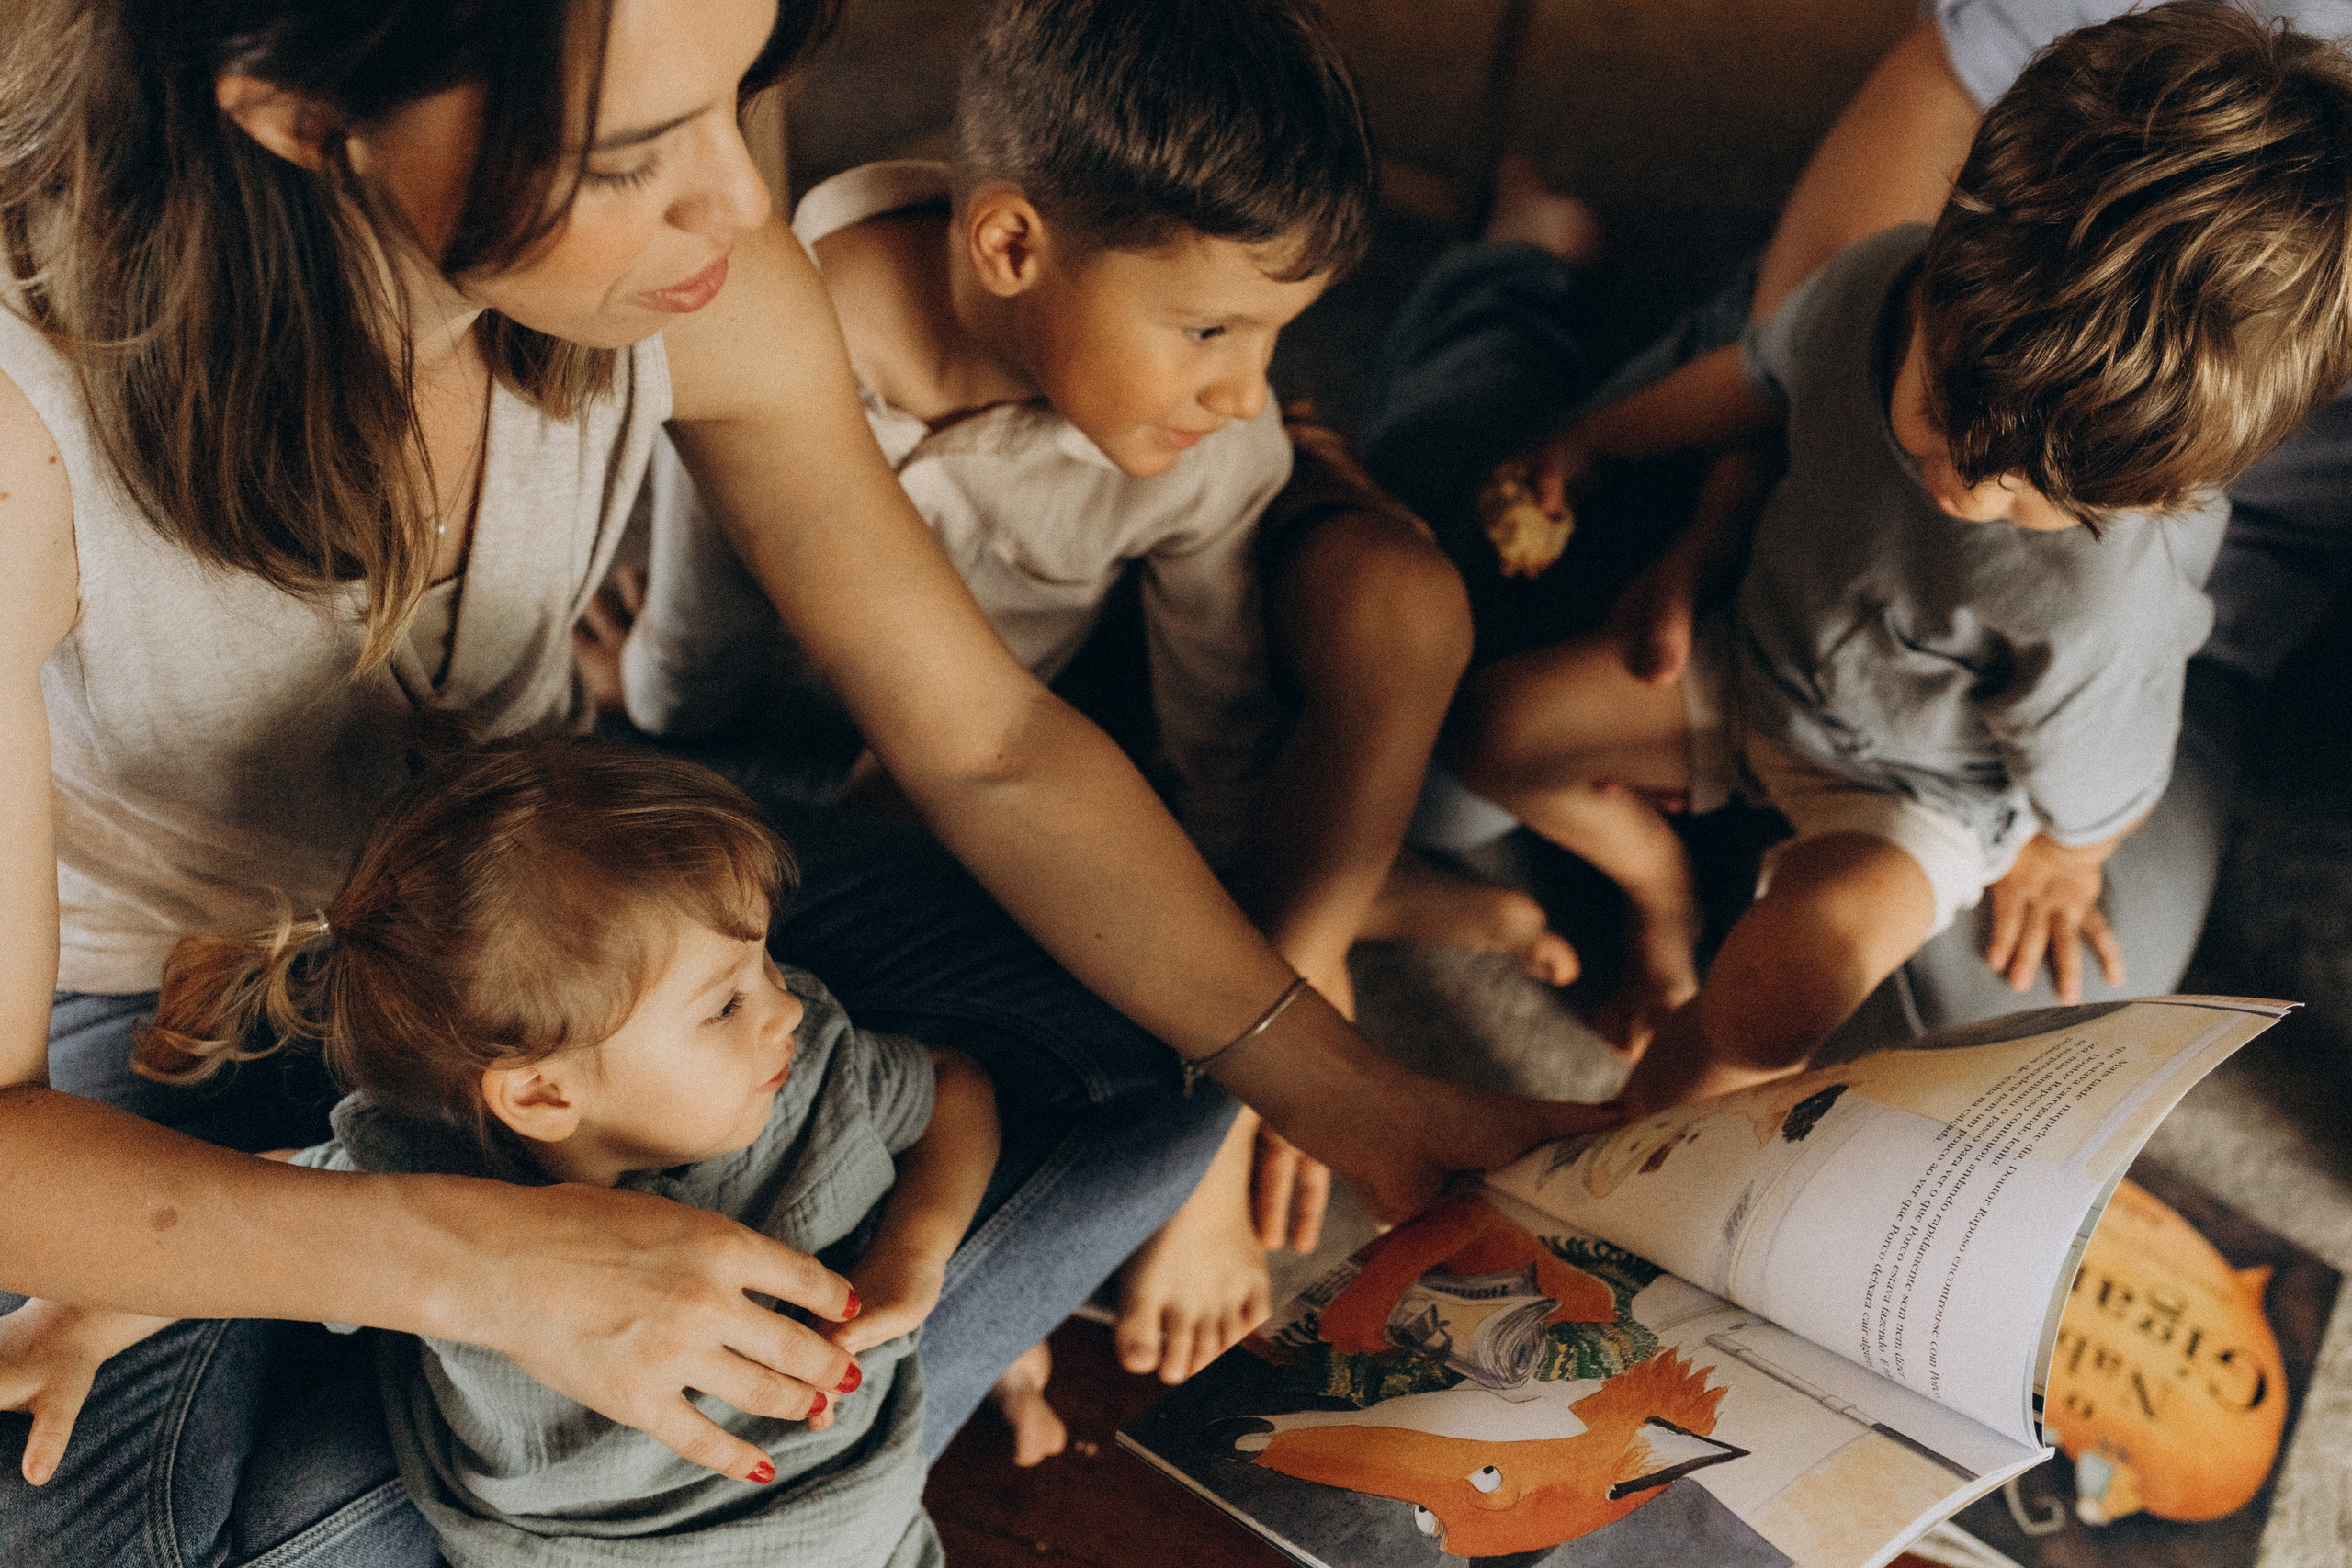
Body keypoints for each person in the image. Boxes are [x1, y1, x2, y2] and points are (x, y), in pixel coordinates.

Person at [0, 3, 1619, 1562]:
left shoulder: (709, 280)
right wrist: (477, 1264)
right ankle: (716, 1483)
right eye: (638, 153)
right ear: (305, 120)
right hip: (165, 1021)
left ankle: (629, 1484)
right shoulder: (23, 431)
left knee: (1179, 1042)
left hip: (558, 887)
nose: (749, 197)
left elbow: (985, 744)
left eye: (740, 92)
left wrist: (1366, 1100)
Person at [616, 0, 1571, 1425]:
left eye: (1266, 337)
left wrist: (1251, 1079)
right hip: (871, 721)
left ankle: (1531, 262)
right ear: (1007, 246)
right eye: (1209, 329)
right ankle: (1384, 899)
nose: (1246, 385)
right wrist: (651, 718)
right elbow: (701, 615)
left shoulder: (1213, 442)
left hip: (1065, 709)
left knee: (1411, 566)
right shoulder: (793, 301)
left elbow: (1214, 734)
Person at [1448, 4, 2352, 1105]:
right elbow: (1755, 376)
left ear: (2168, 484)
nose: (1965, 490)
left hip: (1915, 797)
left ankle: (1613, 1153)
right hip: (1760, 662)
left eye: (2033, 489)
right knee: (1487, 727)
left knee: (1784, 987)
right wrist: (1596, 439)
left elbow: (2104, 790)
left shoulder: (2115, 595)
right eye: (1949, 409)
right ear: (1943, 251)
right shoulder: (1881, 281)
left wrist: (2063, 863)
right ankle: (1659, 892)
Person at [8, 738, 995, 1568]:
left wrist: (917, 1253)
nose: (786, 1005)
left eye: (766, 963)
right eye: (726, 1003)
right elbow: (262, 1206)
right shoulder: (424, 1175)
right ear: (542, 1092)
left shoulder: (806, 1070)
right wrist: (83, 1326)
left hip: (869, 1531)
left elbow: (954, 1087)